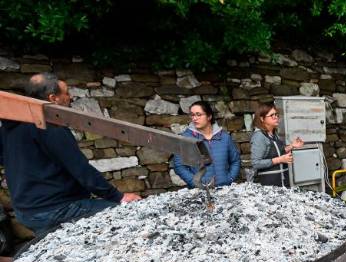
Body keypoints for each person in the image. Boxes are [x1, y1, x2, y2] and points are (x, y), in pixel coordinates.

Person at [0, 73, 140, 235]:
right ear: (53, 98)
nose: (70, 97)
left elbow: (4, 158)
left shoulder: (9, 126)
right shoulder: (49, 126)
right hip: (55, 209)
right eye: (66, 93)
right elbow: (80, 169)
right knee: (127, 214)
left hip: (27, 212)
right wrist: (118, 197)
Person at [173, 100, 240, 188]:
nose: (194, 118)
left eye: (198, 114)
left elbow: (235, 161)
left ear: (209, 116)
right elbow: (179, 166)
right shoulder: (186, 139)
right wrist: (195, 183)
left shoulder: (224, 137)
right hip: (200, 191)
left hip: (225, 190)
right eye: (192, 115)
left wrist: (230, 179)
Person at [250, 103, 303, 187]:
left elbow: (278, 152)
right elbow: (256, 163)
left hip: (283, 182)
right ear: (262, 118)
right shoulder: (259, 136)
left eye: (276, 114)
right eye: (271, 115)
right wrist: (279, 160)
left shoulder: (274, 134)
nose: (276, 117)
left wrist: (291, 146)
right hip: (269, 186)